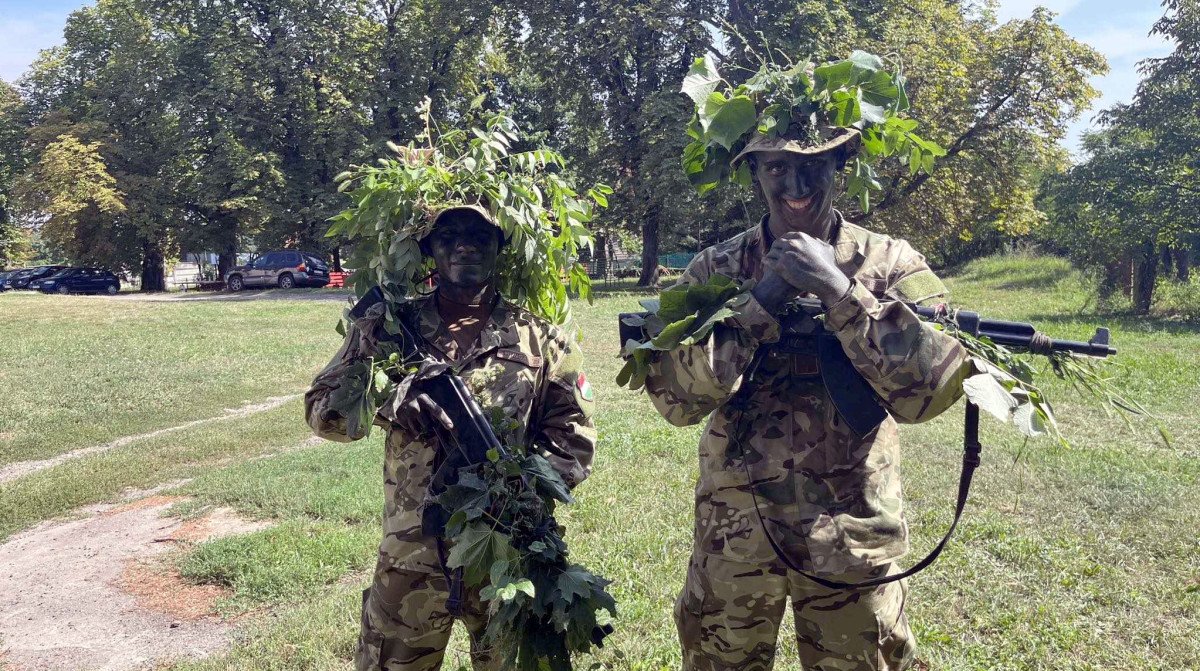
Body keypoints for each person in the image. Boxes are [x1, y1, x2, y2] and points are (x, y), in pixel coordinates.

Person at [643, 125, 971, 670]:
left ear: (839, 165)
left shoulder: (890, 263)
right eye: (775, 167)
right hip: (737, 534)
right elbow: (676, 398)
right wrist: (762, 302)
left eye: (812, 165)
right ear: (754, 173)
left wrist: (841, 293)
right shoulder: (714, 270)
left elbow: (930, 393)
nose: (794, 183)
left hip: (852, 532)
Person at [305, 204, 597, 671]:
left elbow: (574, 439)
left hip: (505, 558)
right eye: (449, 236)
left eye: (480, 236)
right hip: (411, 555)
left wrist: (522, 492)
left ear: (501, 248)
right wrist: (389, 401)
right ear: (429, 251)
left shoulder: (543, 341)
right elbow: (321, 410)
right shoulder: (388, 331)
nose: (465, 244)